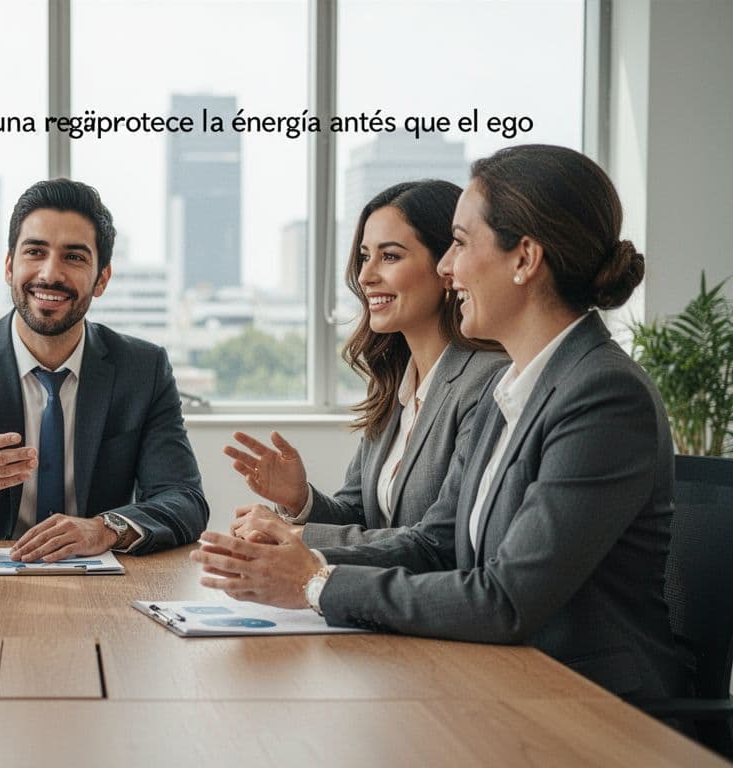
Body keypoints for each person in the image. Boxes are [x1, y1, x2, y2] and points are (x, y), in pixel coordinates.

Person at [195, 144, 688, 700]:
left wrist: (314, 581)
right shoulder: (516, 387)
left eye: (458, 243)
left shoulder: (602, 394)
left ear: (524, 259)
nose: (447, 267)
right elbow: (436, 545)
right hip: (496, 683)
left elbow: (507, 600)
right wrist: (291, 558)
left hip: (587, 707)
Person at [0, 178, 208, 561]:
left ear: (102, 278)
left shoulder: (143, 369)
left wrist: (105, 529)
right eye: (35, 252)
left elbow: (184, 500)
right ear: (8, 265)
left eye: (74, 257)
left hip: (100, 593)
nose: (50, 274)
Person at [224, 181, 506, 547]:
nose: (365, 276)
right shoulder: (396, 385)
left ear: (447, 266)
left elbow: (441, 543)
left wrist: (295, 535)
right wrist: (299, 501)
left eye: (389, 256)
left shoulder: (485, 382)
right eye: (364, 256)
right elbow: (360, 517)